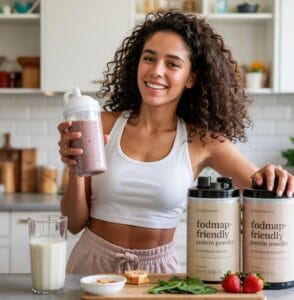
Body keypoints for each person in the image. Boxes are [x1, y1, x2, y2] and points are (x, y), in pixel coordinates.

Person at [58, 10, 294, 274]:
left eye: (172, 64)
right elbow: (74, 224)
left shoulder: (202, 141)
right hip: (91, 267)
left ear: (191, 78)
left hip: (158, 275)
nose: (156, 71)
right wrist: (74, 169)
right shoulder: (101, 125)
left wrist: (273, 175)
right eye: (149, 58)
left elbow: (263, 187)